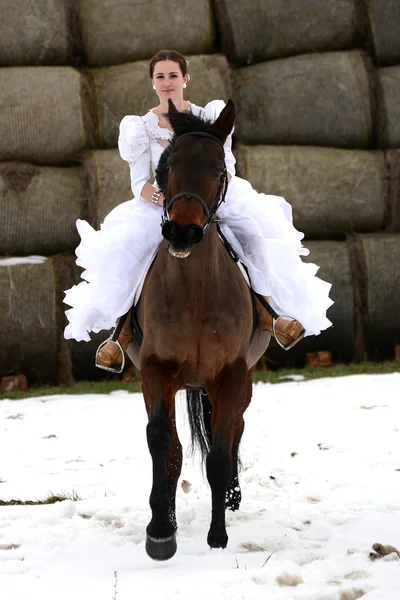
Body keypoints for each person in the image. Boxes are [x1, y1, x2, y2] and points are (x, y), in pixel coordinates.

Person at [64, 49, 333, 372]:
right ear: (152, 83)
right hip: (163, 204)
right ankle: (119, 333)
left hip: (210, 199)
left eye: (173, 75)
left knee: (254, 238)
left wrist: (216, 186)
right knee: (132, 253)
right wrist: (154, 195)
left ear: (185, 79)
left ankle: (269, 315)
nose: (167, 82)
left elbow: (227, 164)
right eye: (160, 77)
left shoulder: (210, 118)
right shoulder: (141, 128)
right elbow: (139, 181)